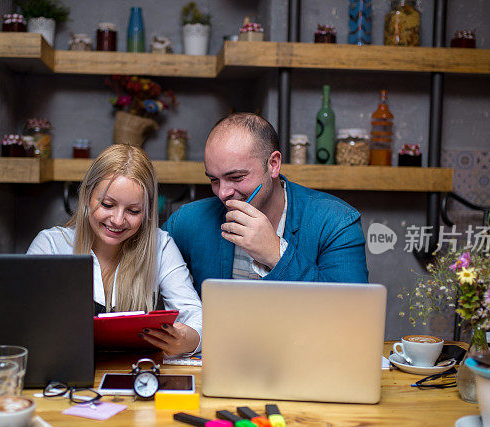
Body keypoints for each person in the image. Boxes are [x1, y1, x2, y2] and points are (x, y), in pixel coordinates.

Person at [163, 113, 368, 295]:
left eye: (236, 177)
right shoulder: (188, 220)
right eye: (214, 180)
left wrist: (276, 253)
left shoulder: (335, 222)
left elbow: (350, 315)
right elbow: (144, 276)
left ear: (273, 164)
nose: (223, 193)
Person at [27, 144, 201, 355]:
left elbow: (195, 316)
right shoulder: (51, 246)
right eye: (107, 205)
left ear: (147, 211)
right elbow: (26, 320)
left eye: (133, 210)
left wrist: (188, 339)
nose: (118, 220)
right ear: (86, 197)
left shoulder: (160, 245)